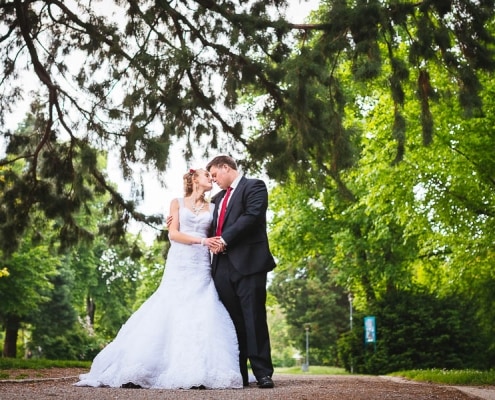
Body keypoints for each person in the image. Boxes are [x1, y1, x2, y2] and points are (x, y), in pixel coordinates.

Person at [75, 168, 243, 390]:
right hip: (180, 261)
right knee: (169, 305)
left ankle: (196, 368)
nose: (211, 179)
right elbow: (173, 234)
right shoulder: (177, 203)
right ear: (194, 179)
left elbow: (218, 232)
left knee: (200, 309)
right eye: (206, 176)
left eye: (212, 177)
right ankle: (141, 366)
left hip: (201, 265)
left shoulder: (213, 206)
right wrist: (203, 241)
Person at [206, 155, 276, 389]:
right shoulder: (216, 198)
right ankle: (239, 374)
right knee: (232, 322)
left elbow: (252, 216)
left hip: (249, 263)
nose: (213, 180)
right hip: (221, 267)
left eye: (215, 174)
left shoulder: (254, 186)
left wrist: (225, 239)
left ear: (226, 167)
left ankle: (263, 372)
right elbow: (206, 225)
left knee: (253, 317)